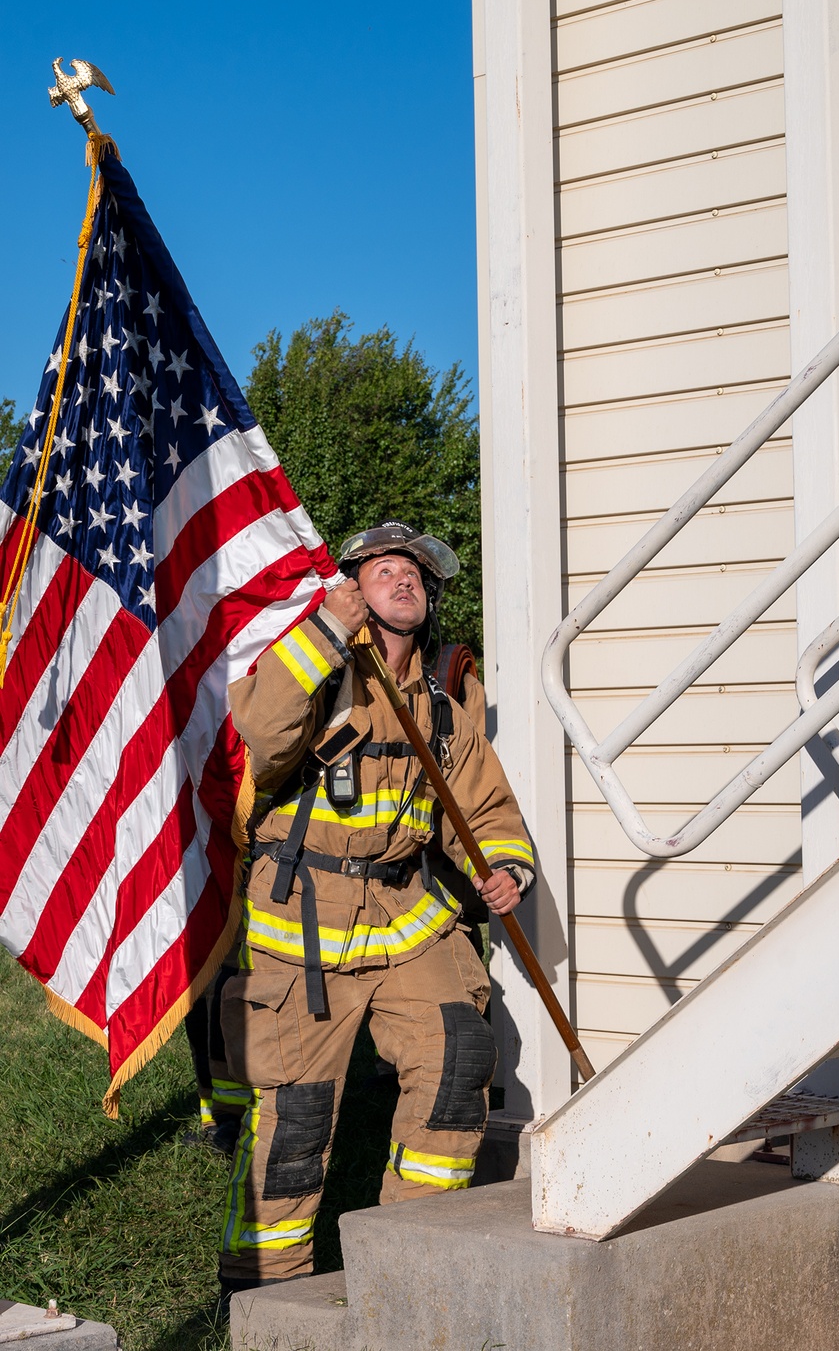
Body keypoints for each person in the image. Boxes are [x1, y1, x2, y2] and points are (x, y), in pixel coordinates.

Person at [217, 520, 535, 1294]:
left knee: (459, 1063)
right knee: (294, 1123)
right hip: (306, 927)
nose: (404, 583)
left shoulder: (445, 696)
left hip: (406, 919)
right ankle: (265, 1295)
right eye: (385, 570)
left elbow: (482, 808)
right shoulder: (317, 666)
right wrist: (328, 630)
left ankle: (409, 1270)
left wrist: (503, 866)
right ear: (351, 587)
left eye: (417, 576)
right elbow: (260, 727)